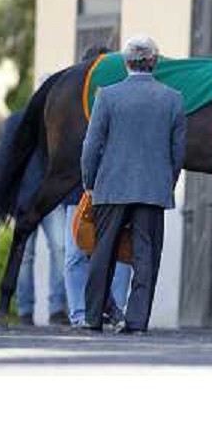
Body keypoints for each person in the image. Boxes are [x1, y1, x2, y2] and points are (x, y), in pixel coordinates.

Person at [81, 35, 186, 334]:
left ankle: (93, 318)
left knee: (103, 252)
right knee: (146, 256)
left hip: (111, 186)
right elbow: (177, 153)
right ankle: (137, 322)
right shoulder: (173, 98)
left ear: (127, 62)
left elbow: (91, 146)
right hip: (153, 188)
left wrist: (90, 182)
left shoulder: (107, 96)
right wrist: (168, 181)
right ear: (154, 62)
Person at [63, 45, 132, 327]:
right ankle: (81, 314)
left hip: (109, 189)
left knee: (117, 254)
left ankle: (111, 313)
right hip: (80, 191)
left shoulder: (120, 102)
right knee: (77, 254)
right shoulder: (67, 105)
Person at [0, 112, 68, 325]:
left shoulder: (62, 118)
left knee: (60, 251)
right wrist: (4, 198)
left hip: (51, 199)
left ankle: (57, 309)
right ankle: (26, 311)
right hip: (24, 200)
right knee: (25, 256)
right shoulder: (17, 121)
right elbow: (4, 160)